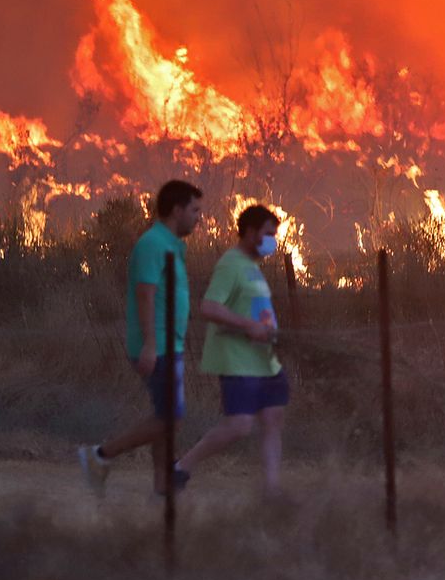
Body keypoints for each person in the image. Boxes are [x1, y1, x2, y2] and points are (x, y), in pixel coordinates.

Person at [78, 180, 203, 496]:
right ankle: (100, 455)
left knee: (165, 416)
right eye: (194, 210)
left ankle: (161, 485)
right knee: (170, 418)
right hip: (156, 345)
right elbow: (144, 293)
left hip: (169, 344)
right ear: (177, 210)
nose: (199, 218)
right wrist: (150, 344)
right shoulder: (152, 244)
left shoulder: (172, 245)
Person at [174, 204, 290, 495]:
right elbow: (209, 307)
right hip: (238, 360)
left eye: (274, 235)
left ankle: (272, 491)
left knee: (273, 418)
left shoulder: (253, 267)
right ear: (250, 232)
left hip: (265, 360)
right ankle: (181, 468)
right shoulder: (230, 264)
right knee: (239, 425)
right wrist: (248, 326)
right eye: (267, 234)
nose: (272, 241)